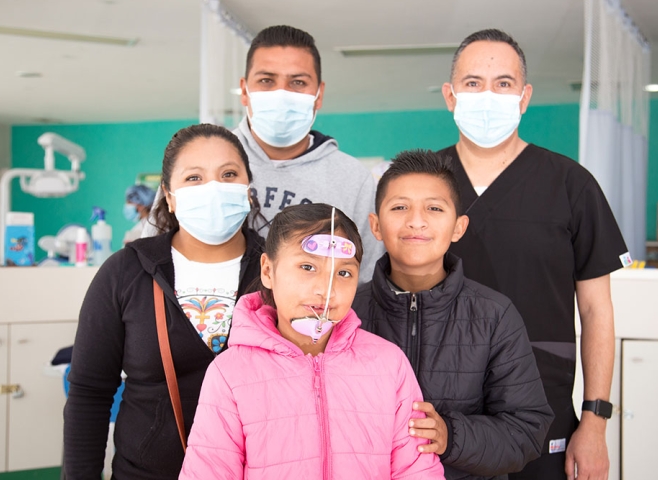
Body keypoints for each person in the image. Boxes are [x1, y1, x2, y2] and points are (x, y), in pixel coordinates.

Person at [437, 29, 630, 480]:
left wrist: (595, 422)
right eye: (472, 83)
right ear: (450, 95)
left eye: (503, 84)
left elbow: (597, 311)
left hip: (542, 407)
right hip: (436, 409)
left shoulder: (571, 184)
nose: (488, 95)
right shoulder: (422, 182)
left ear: (524, 98)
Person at [179, 203, 445, 479]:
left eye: (343, 273)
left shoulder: (390, 365)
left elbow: (416, 469)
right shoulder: (230, 373)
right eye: (307, 266)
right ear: (268, 271)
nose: (325, 290)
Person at [63, 124, 265, 479]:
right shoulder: (125, 272)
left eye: (229, 174)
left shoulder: (280, 270)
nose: (214, 189)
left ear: (248, 189)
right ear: (169, 197)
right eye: (194, 178)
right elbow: (89, 395)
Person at [352, 150, 553, 479]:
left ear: (459, 227)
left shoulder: (494, 316)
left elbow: (527, 430)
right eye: (400, 207)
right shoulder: (346, 314)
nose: (417, 221)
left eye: (434, 208)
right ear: (376, 225)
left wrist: (451, 436)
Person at [144, 25, 382, 283]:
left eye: (298, 82)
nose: (281, 94)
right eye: (266, 80)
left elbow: (363, 282)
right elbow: (149, 260)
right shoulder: (199, 160)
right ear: (245, 91)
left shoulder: (352, 179)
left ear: (319, 94)